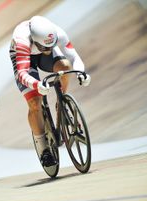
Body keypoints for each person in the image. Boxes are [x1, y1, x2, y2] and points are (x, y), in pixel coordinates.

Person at [9, 16, 91, 167]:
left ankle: (62, 103)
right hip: (24, 58)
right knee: (34, 102)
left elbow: (74, 57)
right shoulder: (22, 40)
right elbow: (22, 73)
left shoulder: (57, 34)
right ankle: (43, 148)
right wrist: (36, 84)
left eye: (50, 46)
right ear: (34, 40)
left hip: (39, 50)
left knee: (65, 67)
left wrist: (81, 72)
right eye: (44, 48)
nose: (48, 50)